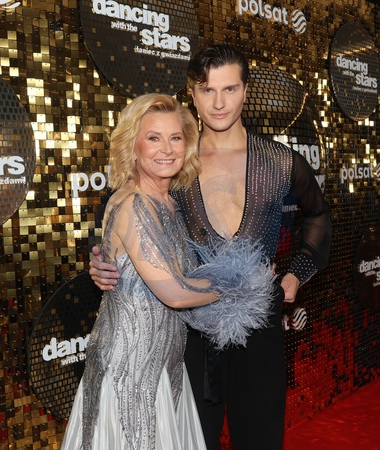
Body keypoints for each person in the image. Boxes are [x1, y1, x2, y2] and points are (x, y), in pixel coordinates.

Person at [89, 45, 332, 450]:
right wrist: (103, 260)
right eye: (207, 90)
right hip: (191, 328)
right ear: (192, 94)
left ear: (246, 90)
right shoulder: (175, 160)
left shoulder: (279, 160)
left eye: (229, 89)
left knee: (260, 438)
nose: (218, 103)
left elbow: (319, 215)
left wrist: (296, 274)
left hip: (259, 322)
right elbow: (124, 212)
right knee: (193, 439)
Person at [62, 92, 275, 450]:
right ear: (133, 146)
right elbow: (175, 293)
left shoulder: (170, 201)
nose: (166, 149)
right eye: (153, 137)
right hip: (130, 371)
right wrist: (242, 285)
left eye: (175, 137)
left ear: (187, 144)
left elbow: (180, 271)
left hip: (165, 365)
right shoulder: (133, 203)